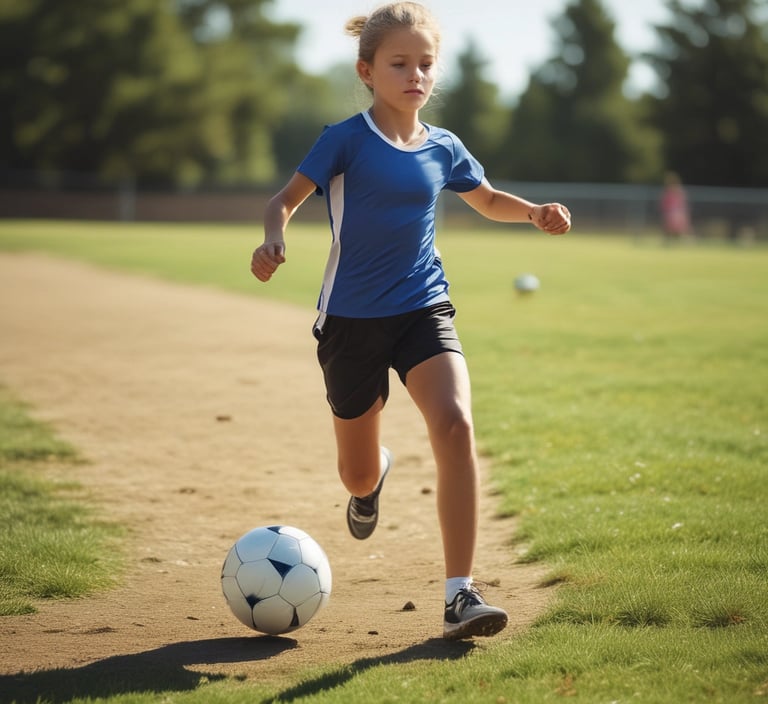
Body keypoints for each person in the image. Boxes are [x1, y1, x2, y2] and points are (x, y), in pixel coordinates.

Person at [251, 1, 571, 640]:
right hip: (350, 322)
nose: (415, 75)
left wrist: (533, 211)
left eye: (425, 64)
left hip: (424, 305)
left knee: (455, 425)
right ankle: (370, 486)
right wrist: (271, 240)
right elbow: (281, 201)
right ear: (367, 71)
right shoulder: (343, 138)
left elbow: (485, 199)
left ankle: (460, 594)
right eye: (400, 64)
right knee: (358, 471)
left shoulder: (444, 146)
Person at [660, 171, 691, 241]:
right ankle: (669, 241)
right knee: (669, 230)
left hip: (678, 214)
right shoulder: (667, 192)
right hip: (670, 214)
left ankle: (683, 241)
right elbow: (664, 204)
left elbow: (683, 205)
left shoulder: (679, 192)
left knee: (680, 230)